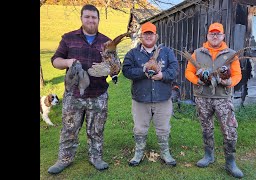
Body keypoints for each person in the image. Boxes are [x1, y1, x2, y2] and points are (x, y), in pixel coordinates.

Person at [48, 4, 111, 174]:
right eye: (87, 17)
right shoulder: (69, 38)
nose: (91, 20)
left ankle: (96, 157)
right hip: (73, 95)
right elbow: (55, 60)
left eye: (94, 17)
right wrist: (68, 63)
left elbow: (114, 66)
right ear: (82, 18)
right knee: (69, 129)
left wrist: (112, 68)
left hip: (98, 95)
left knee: (96, 130)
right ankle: (64, 159)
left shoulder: (107, 42)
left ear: (98, 20)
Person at [185, 22, 244, 178]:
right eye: (212, 33)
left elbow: (238, 74)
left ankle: (230, 162)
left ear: (223, 36)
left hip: (223, 98)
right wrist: (199, 81)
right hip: (203, 97)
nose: (215, 36)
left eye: (218, 33)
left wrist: (227, 82)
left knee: (230, 130)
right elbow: (189, 72)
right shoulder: (197, 53)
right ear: (208, 35)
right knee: (206, 128)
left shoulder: (231, 54)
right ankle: (208, 156)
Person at [122, 22, 179, 167]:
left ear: (156, 36)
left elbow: (175, 69)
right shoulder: (132, 54)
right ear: (141, 36)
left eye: (151, 33)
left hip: (163, 99)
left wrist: (163, 75)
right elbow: (126, 71)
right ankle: (139, 153)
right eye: (145, 33)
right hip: (141, 99)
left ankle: (165, 153)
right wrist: (142, 71)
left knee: (163, 128)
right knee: (140, 128)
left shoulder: (166, 52)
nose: (148, 36)